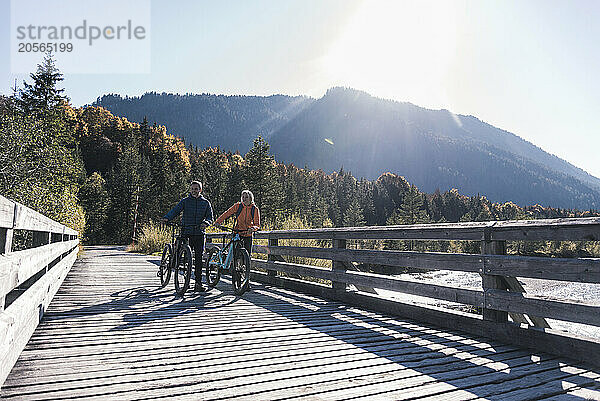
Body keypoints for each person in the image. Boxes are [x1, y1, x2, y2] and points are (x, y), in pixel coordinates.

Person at [162, 180, 213, 292]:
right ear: (190, 190)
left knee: (199, 259)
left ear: (200, 190)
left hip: (199, 233)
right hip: (186, 231)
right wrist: (167, 217)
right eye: (192, 189)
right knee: (183, 257)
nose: (194, 191)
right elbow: (175, 210)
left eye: (196, 189)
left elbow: (210, 217)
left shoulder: (205, 203)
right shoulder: (185, 201)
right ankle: (185, 280)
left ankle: (198, 284)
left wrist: (206, 223)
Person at [214, 189, 260, 258]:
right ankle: (232, 265)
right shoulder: (238, 206)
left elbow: (257, 223)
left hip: (248, 233)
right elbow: (227, 214)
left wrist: (253, 228)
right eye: (243, 197)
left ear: (251, 198)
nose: (244, 199)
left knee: (247, 255)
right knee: (235, 254)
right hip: (237, 232)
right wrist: (218, 222)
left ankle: (244, 267)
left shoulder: (254, 209)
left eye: (246, 197)